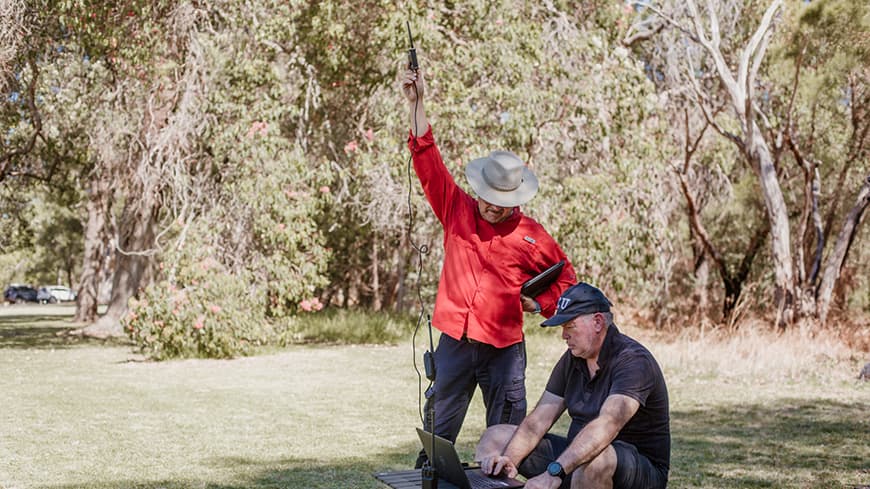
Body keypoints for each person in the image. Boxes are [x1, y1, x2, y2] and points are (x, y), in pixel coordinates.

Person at [400, 67, 577, 468]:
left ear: (517, 197)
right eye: (487, 197)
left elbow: (568, 283)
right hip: (455, 345)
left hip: (504, 353)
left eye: (502, 200)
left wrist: (539, 305)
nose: (493, 206)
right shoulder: (456, 209)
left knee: (508, 446)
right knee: (435, 438)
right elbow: (427, 159)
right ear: (478, 188)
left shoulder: (533, 235)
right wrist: (417, 102)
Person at [476, 282, 670, 489]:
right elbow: (539, 420)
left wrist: (554, 472)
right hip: (578, 458)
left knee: (593, 463)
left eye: (570, 326)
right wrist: (509, 460)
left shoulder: (633, 361)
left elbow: (606, 425)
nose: (564, 335)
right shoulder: (574, 358)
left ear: (597, 322)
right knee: (495, 438)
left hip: (636, 469)